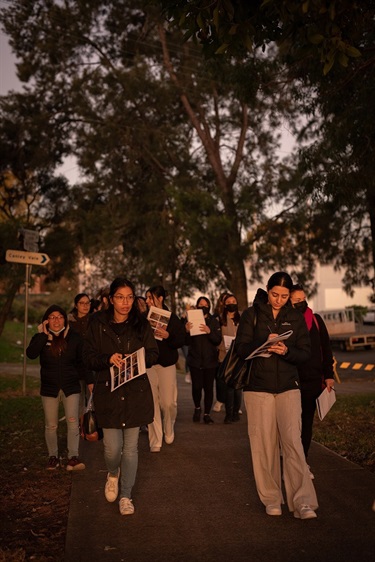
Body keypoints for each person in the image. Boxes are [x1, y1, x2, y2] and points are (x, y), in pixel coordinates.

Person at [235, 272, 318, 519]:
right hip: (258, 387)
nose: (279, 300)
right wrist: (264, 341)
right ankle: (271, 498)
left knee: (293, 441)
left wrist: (285, 350)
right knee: (263, 444)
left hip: (288, 386)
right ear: (267, 290)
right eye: (274, 295)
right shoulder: (252, 315)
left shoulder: (295, 316)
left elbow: (305, 353)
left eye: (284, 296)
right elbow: (240, 349)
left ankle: (302, 501)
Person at [83, 277, 158, 516]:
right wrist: (108, 359)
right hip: (110, 393)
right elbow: (87, 356)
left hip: (136, 392)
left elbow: (154, 353)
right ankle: (113, 473)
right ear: (110, 299)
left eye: (129, 297)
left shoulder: (141, 325)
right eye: (120, 297)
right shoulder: (97, 324)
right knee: (112, 449)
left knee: (131, 448)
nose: (125, 303)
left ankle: (126, 495)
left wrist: (138, 359)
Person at [26, 305, 89, 471]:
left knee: (73, 422)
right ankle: (52, 457)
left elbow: (83, 363)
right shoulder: (40, 337)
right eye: (52, 317)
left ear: (65, 319)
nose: (56, 320)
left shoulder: (74, 337)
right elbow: (31, 354)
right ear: (46, 320)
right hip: (49, 388)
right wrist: (44, 335)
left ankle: (73, 457)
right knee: (51, 425)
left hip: (71, 387)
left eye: (59, 316)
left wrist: (89, 382)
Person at [290, 284, 335, 473]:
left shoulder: (316, 321)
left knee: (306, 422)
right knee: (291, 423)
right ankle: (289, 460)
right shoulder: (286, 322)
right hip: (291, 380)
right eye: (296, 301)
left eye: (303, 299)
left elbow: (325, 348)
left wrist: (329, 376)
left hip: (312, 380)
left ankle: (302, 461)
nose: (301, 303)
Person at [145, 285, 185, 452]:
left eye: (150, 297)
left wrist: (168, 336)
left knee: (168, 403)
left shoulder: (173, 319)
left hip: (167, 364)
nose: (147, 301)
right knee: (151, 402)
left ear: (160, 298)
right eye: (146, 298)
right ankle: (155, 440)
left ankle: (169, 427)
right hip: (149, 365)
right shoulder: (143, 318)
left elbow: (181, 340)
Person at [184, 296, 222, 424]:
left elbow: (217, 340)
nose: (203, 306)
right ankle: (197, 408)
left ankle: (207, 414)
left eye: (205, 305)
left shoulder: (214, 321)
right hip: (195, 361)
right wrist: (186, 331)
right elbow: (186, 341)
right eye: (200, 304)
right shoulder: (191, 319)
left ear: (209, 306)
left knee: (209, 389)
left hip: (210, 361)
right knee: (196, 387)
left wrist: (209, 331)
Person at [217, 293, 242, 423]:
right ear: (225, 304)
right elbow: (217, 337)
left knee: (237, 387)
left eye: (234, 301)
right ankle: (228, 413)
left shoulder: (242, 317)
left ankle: (236, 411)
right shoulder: (220, 319)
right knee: (228, 386)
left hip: (239, 356)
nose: (232, 303)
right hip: (225, 356)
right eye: (229, 301)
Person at [68, 293, 92, 416]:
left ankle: (92, 429)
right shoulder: (69, 322)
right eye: (82, 303)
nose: (85, 306)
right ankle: (79, 428)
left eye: (87, 303)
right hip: (75, 366)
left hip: (91, 364)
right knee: (78, 400)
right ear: (76, 305)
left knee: (92, 399)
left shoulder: (94, 321)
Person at [212, 291, 229, 412]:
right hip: (220, 351)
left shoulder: (235, 317)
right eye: (224, 300)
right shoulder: (216, 316)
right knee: (220, 379)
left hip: (231, 350)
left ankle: (231, 403)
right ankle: (220, 399)